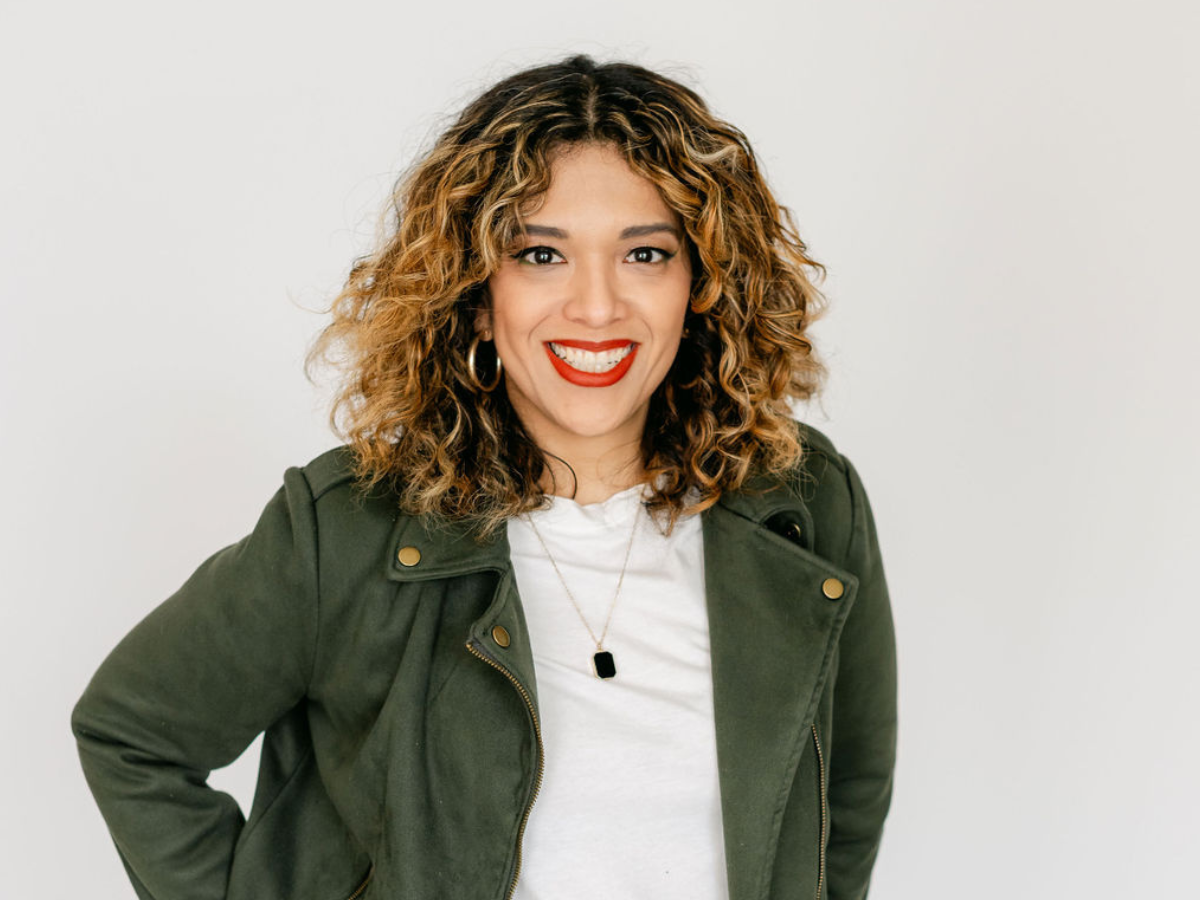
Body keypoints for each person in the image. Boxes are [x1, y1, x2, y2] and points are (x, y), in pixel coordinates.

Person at [72, 54, 897, 900]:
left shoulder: (804, 502)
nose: (597, 307)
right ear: (475, 292)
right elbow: (132, 735)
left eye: (645, 253)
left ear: (703, 284)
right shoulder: (345, 531)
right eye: (541, 254)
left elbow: (844, 802)